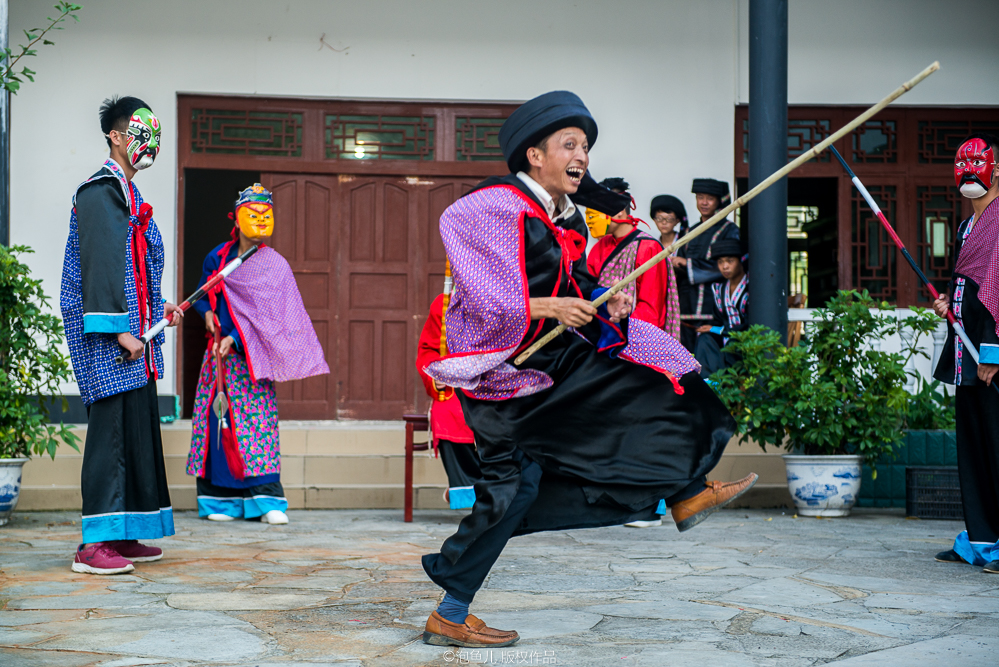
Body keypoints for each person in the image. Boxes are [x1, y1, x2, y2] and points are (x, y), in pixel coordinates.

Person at [418, 91, 757, 648]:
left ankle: (683, 489)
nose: (583, 156)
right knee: (515, 491)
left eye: (587, 147)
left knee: (651, 376)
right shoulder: (492, 207)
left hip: (551, 366)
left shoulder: (560, 216)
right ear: (534, 154)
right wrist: (550, 308)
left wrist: (604, 300)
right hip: (506, 375)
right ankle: (450, 613)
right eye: (570, 144)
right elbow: (480, 298)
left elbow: (571, 282)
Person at [61, 96, 181, 574]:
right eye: (138, 129)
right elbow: (103, 266)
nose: (147, 140)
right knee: (110, 437)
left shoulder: (128, 195)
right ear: (115, 135)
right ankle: (93, 545)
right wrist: (120, 332)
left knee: (134, 432)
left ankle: (124, 531)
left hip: (135, 335)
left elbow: (133, 268)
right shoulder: (100, 190)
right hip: (109, 336)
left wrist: (159, 307)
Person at [186, 184, 329, 524]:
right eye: (254, 213)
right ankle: (221, 502)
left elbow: (273, 318)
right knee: (219, 426)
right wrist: (205, 313)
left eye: (267, 214)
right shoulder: (217, 257)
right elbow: (202, 293)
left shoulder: (274, 265)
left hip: (253, 360)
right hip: (218, 360)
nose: (261, 220)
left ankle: (265, 502)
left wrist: (236, 338)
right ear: (237, 218)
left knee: (256, 426)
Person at [931, 133, 999, 575]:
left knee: (996, 447)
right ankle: (981, 540)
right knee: (973, 450)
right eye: (962, 162)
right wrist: (948, 305)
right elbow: (968, 286)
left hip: (990, 355)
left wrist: (994, 352)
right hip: (965, 352)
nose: (969, 170)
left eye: (978, 162)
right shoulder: (965, 226)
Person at [417, 287, 481, 509]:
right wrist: (437, 375)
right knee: (447, 411)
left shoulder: (501, 298)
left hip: (494, 381)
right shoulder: (444, 304)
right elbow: (428, 350)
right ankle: (467, 488)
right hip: (457, 385)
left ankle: (488, 487)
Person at [673, 179, 739, 352]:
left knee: (709, 353)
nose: (703, 202)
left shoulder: (729, 230)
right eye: (700, 197)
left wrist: (688, 264)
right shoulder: (689, 232)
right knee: (685, 354)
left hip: (714, 306)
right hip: (686, 305)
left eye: (709, 198)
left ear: (719, 201)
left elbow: (729, 268)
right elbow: (679, 265)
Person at [694, 239, 749, 378]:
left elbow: (751, 323)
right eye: (720, 262)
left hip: (745, 342)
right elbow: (718, 320)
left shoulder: (751, 287)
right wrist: (712, 329)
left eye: (730, 261)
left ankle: (725, 385)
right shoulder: (719, 289)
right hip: (726, 340)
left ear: (741, 260)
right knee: (705, 339)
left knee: (733, 344)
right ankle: (709, 383)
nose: (724, 266)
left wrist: (716, 330)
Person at [650, 194, 688, 342]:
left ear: (677, 220)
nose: (664, 223)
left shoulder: (686, 242)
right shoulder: (652, 244)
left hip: (681, 297)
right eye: (659, 219)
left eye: (669, 219)